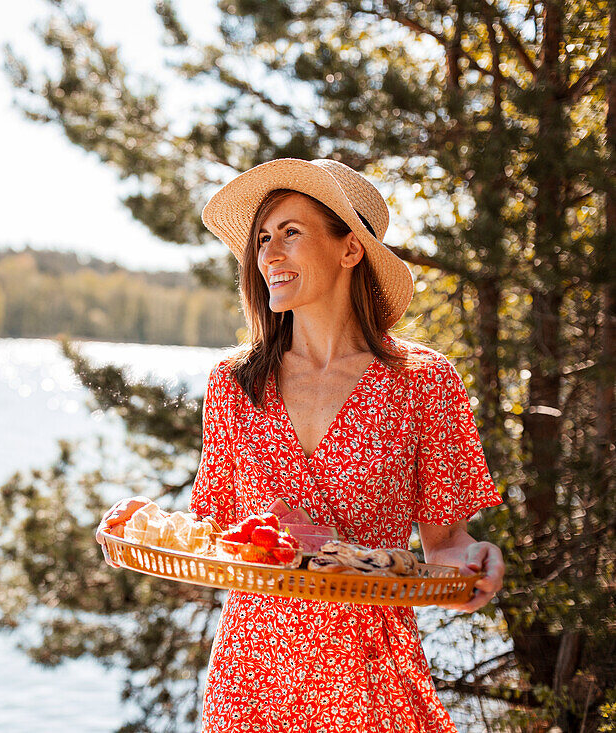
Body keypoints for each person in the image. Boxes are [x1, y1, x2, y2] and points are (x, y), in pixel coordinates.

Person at [98, 158, 505, 732]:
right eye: (263, 239)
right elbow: (212, 540)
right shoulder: (237, 382)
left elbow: (445, 545)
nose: (269, 254)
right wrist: (148, 526)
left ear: (350, 249)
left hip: (372, 680)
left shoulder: (423, 381)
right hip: (254, 680)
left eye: (291, 232)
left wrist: (474, 560)